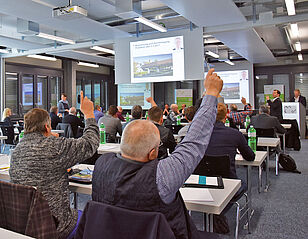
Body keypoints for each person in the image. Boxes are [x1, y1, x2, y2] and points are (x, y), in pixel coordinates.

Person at [92, 68, 223, 238]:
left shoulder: (101, 165)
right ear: (153, 153)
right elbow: (193, 143)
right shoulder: (162, 177)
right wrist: (211, 93)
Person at [10, 91, 99, 239]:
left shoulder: (17, 150)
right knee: (92, 218)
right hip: (55, 225)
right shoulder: (55, 147)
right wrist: (89, 114)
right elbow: (90, 143)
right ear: (46, 127)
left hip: (24, 223)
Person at [205, 103, 255, 179]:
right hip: (228, 180)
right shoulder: (236, 134)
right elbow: (250, 156)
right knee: (243, 184)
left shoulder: (200, 135)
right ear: (226, 117)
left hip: (203, 181)